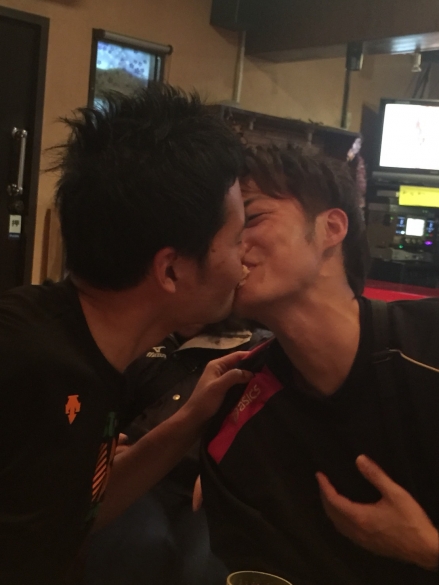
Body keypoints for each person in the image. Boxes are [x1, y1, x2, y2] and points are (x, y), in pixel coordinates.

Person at [0, 84, 253, 585]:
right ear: (171, 270)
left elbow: (76, 513)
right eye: (237, 238)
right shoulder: (24, 358)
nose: (246, 255)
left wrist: (191, 417)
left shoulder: (92, 352)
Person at [200, 145, 439, 585]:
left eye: (252, 218)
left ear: (331, 228)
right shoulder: (235, 421)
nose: (227, 245)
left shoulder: (428, 345)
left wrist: (428, 551)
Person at [84, 320, 272, 585]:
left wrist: (229, 467)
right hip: (142, 472)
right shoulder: (144, 337)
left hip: (208, 482)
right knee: (140, 544)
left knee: (205, 565)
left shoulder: (258, 349)